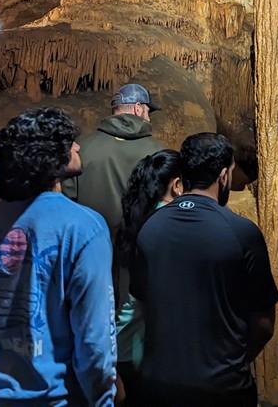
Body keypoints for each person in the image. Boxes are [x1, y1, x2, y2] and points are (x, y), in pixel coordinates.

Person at [0, 108, 116, 405]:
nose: (77, 147)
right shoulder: (83, 227)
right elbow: (94, 340)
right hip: (50, 397)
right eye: (69, 142)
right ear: (51, 156)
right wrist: (103, 398)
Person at [132, 133, 278, 407]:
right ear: (223, 176)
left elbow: (144, 306)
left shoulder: (151, 227)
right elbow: (264, 324)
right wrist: (238, 359)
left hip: (159, 385)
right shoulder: (242, 232)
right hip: (222, 387)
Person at [112, 150, 182, 404]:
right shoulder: (171, 224)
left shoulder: (131, 221)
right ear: (177, 185)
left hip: (122, 342)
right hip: (147, 347)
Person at [63, 84, 163, 240]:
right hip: (137, 245)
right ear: (138, 108)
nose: (149, 118)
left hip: (91, 243)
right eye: (147, 111)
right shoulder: (158, 152)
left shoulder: (81, 149)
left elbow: (66, 202)